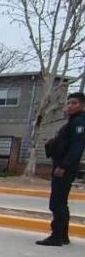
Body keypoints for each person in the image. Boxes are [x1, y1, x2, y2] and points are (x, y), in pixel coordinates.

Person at [38, 92, 85, 246]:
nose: (70, 106)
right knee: (61, 202)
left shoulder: (79, 123)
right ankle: (63, 235)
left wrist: (63, 166)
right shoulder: (72, 122)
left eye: (74, 103)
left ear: (82, 105)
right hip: (63, 165)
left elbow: (76, 148)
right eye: (68, 103)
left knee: (56, 203)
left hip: (65, 168)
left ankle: (57, 236)